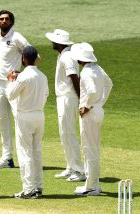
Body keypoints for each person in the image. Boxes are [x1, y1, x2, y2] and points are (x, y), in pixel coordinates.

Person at [0, 10, 32, 169]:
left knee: (18, 118)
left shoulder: (17, 37)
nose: (4, 21)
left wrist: (23, 72)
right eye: (1, 19)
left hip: (13, 84)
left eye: (7, 19)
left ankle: (26, 157)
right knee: (1, 120)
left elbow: (33, 55)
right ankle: (7, 158)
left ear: (12, 22)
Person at [70, 42, 113, 196]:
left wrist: (87, 106)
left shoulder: (87, 72)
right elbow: (109, 84)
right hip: (98, 111)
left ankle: (91, 187)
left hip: (90, 114)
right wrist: (100, 103)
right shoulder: (98, 69)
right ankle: (93, 184)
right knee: (92, 149)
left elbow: (92, 91)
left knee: (89, 150)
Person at [6, 46, 49, 198]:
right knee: (36, 151)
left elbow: (10, 95)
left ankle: (29, 189)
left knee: (25, 152)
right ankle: (38, 187)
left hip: (25, 116)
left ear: (24, 58)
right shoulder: (43, 76)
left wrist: (11, 80)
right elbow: (46, 95)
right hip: (39, 115)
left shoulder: (23, 76)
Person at [45, 29, 86, 182]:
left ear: (59, 43)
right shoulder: (63, 55)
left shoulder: (67, 56)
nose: (52, 43)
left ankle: (79, 170)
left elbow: (75, 78)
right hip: (63, 97)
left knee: (68, 133)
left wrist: (81, 100)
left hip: (68, 98)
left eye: (54, 40)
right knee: (64, 133)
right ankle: (70, 166)